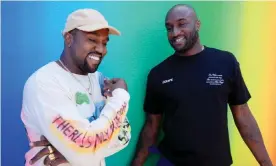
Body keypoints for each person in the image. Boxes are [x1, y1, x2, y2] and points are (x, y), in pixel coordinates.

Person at [131, 4, 273, 166]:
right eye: (169, 28)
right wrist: (137, 162)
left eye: (182, 24)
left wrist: (266, 163)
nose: (175, 33)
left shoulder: (225, 62)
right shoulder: (158, 74)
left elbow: (243, 116)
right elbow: (151, 126)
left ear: (197, 24)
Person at [21, 8, 131, 166]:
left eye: (104, 43)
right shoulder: (44, 82)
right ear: (68, 39)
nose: (101, 49)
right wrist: (121, 96)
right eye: (92, 40)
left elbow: (124, 136)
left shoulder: (100, 80)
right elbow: (88, 149)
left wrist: (77, 152)